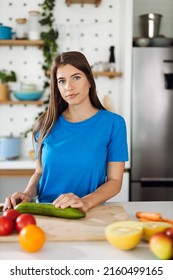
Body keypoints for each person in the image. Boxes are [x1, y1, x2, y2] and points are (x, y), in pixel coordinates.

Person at [4, 51, 128, 212]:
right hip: (45, 214)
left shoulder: (113, 124)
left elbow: (114, 181)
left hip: (88, 213)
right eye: (62, 81)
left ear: (89, 81)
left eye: (76, 77)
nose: (68, 87)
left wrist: (85, 202)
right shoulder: (44, 124)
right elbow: (40, 172)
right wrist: (27, 194)